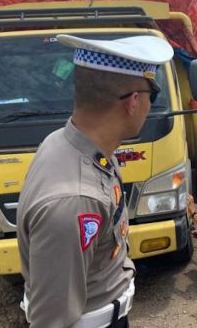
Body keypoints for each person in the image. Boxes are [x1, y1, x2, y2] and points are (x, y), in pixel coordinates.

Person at [17, 33, 174, 327]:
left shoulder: (69, 143)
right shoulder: (75, 199)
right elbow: (51, 320)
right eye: (152, 96)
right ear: (133, 101)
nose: (150, 106)